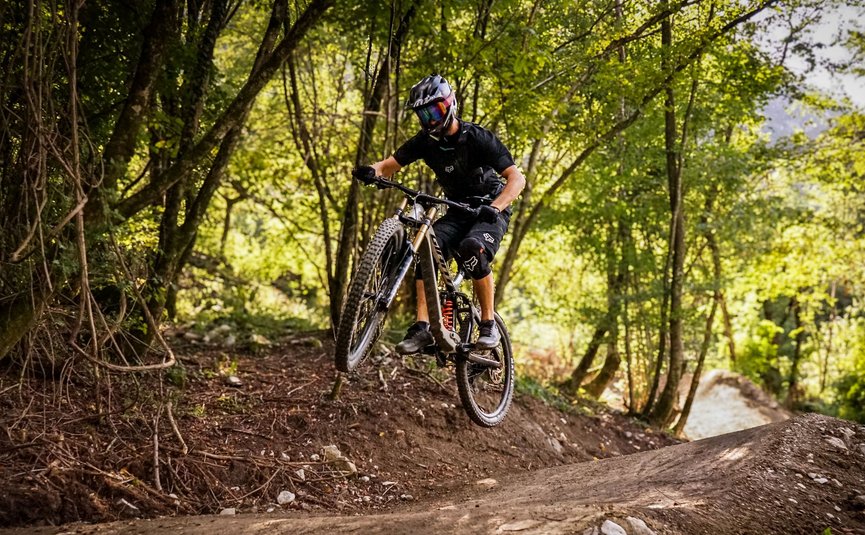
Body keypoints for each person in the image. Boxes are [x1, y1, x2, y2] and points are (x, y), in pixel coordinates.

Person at [352, 74, 525, 354]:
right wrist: (371, 171)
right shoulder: (424, 142)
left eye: (436, 110)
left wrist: (496, 207)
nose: (431, 119)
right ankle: (423, 329)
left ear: (450, 105)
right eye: (424, 114)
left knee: (472, 248)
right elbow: (388, 165)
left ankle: (488, 325)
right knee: (427, 249)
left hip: (488, 209)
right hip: (457, 208)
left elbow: (517, 179)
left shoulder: (478, 138)